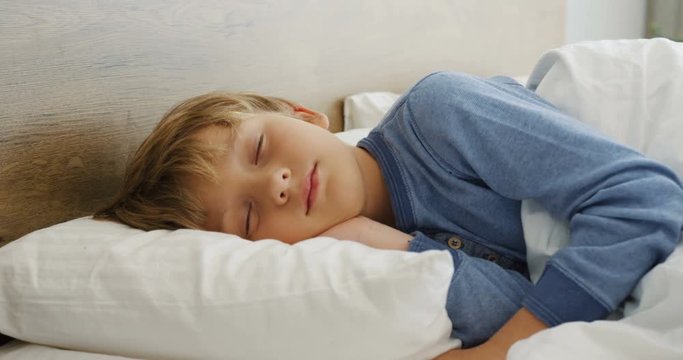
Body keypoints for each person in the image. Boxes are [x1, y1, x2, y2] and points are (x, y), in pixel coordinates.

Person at [95, 71, 683, 359]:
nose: (274, 185)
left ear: (301, 114)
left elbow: (648, 201)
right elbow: (526, 300)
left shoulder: (438, 115)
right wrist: (404, 252)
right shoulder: (369, 262)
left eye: (258, 149)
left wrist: (500, 353)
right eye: (247, 218)